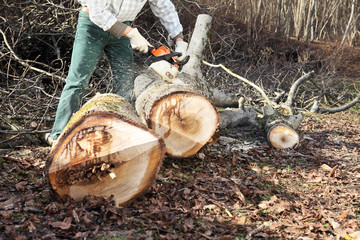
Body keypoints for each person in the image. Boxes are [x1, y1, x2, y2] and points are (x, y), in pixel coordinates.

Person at [45, 0, 188, 145]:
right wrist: (131, 33)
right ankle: (58, 135)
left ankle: (122, 137)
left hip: (123, 28)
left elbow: (164, 7)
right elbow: (98, 13)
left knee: (125, 84)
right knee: (78, 82)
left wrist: (179, 39)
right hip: (92, 25)